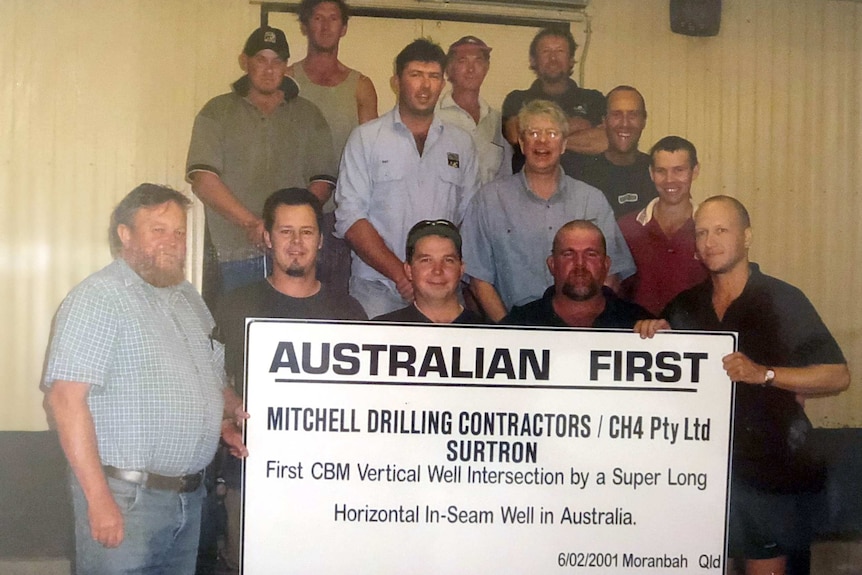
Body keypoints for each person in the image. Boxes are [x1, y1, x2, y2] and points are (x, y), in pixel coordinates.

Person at [635, 196, 850, 575]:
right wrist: (653, 332)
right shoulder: (685, 306)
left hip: (770, 472)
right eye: (701, 232)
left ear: (747, 237)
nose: (709, 241)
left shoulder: (783, 299)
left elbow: (837, 375)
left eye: (721, 230)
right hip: (700, 474)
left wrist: (765, 374)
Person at [42, 184, 246, 575]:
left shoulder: (188, 298)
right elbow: (65, 401)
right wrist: (99, 501)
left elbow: (205, 376)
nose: (173, 242)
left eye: (180, 231)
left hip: (188, 499)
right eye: (158, 230)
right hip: (125, 499)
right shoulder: (99, 297)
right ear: (125, 234)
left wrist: (225, 418)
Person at [213, 187, 365, 570]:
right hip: (250, 476)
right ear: (267, 236)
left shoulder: (348, 311)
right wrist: (228, 412)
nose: (296, 244)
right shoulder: (235, 305)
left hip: (328, 483)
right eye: (285, 232)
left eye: (306, 232)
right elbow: (209, 376)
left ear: (320, 240)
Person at [186, 26, 336, 304]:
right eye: (261, 60)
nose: (269, 69)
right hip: (235, 255)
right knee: (242, 337)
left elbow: (323, 182)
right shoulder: (216, 112)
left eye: (277, 61)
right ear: (245, 62)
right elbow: (203, 180)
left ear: (287, 67)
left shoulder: (310, 115)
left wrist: (288, 229)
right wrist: (254, 225)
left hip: (296, 256)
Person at [335, 38, 479, 319]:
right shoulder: (366, 139)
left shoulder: (462, 144)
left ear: (442, 83)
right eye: (415, 75)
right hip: (378, 289)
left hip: (442, 294)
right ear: (396, 81)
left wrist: (434, 277)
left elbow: (469, 220)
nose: (425, 86)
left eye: (434, 77)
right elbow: (351, 219)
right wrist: (402, 274)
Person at [462, 99, 635, 323]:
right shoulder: (488, 200)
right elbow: (479, 279)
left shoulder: (592, 200)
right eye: (533, 133)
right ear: (522, 143)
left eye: (552, 134)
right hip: (514, 333)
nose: (542, 141)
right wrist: (511, 331)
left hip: (579, 332)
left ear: (564, 144)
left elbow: (611, 274)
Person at [287, 0, 379, 295]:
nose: (326, 25)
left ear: (344, 28)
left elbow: (371, 158)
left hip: (341, 218)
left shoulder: (360, 86)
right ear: (305, 25)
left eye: (333, 18)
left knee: (335, 303)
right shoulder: (286, 80)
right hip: (293, 215)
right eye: (318, 18)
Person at [617, 135, 708, 315]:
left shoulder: (709, 228)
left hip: (694, 339)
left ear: (695, 171)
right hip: (638, 337)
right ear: (651, 173)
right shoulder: (626, 228)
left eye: (679, 170)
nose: (669, 180)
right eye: (661, 171)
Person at [504, 220, 651, 327]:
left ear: (606, 265)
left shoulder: (638, 323)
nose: (580, 263)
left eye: (591, 254)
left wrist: (663, 339)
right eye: (568, 254)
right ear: (552, 265)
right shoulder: (519, 324)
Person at [502, 27, 606, 171]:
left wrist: (537, 135)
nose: (553, 58)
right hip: (527, 190)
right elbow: (515, 135)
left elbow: (603, 141)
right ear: (533, 60)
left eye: (560, 51)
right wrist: (570, 129)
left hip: (581, 190)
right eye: (546, 52)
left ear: (571, 60)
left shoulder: (593, 99)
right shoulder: (517, 99)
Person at [561, 85, 656, 218]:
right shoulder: (581, 174)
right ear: (604, 121)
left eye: (633, 115)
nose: (625, 124)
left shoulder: (658, 172)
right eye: (617, 115)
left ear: (643, 121)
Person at [436, 35, 512, 186]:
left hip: (489, 208)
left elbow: (506, 177)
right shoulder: (434, 117)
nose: (471, 69)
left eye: (478, 61)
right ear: (449, 69)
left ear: (486, 68)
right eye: (462, 61)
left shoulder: (497, 121)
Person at [375, 219, 484, 324]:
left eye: (448, 260)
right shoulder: (380, 332)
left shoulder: (489, 334)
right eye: (426, 260)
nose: (437, 270)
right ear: (409, 270)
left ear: (461, 270)